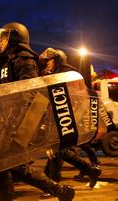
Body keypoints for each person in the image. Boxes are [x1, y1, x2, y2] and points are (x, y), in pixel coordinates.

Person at [0, 22, 75, 201]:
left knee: (4, 167)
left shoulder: (24, 59)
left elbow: (28, 92)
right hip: (11, 121)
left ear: (15, 38)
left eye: (5, 37)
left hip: (19, 123)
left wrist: (15, 123)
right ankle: (60, 191)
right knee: (13, 168)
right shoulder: (12, 59)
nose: (1, 41)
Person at [39, 47, 101, 189]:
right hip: (56, 116)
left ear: (58, 60)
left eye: (50, 60)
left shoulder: (68, 74)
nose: (47, 63)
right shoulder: (53, 74)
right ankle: (89, 171)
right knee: (57, 150)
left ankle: (54, 183)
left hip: (66, 117)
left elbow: (78, 96)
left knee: (57, 150)